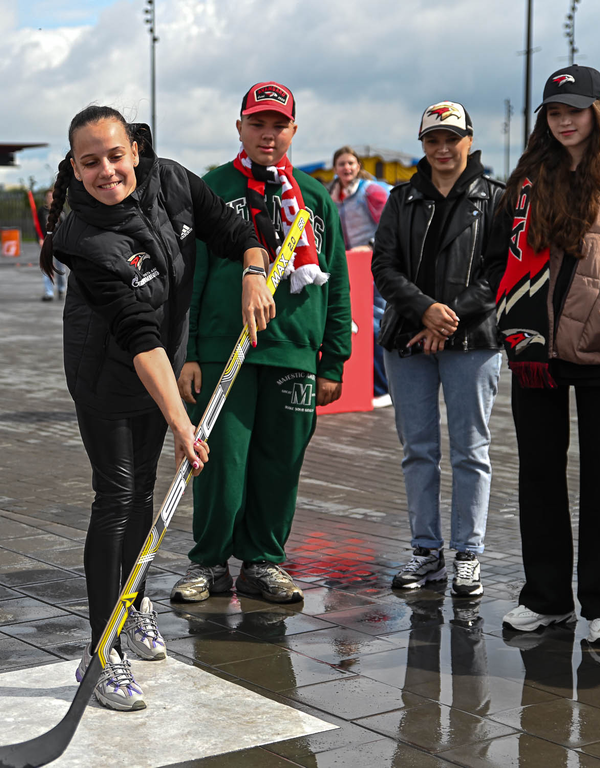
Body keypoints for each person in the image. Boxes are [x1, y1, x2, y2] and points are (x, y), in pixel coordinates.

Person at [43, 105, 275, 711]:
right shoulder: (83, 238)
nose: (106, 171)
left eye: (115, 155)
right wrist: (182, 421)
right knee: (117, 496)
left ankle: (137, 601)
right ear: (74, 167)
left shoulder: (172, 180)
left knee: (146, 494)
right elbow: (137, 334)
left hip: (160, 362)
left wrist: (254, 266)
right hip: (109, 373)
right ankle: (101, 649)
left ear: (134, 151)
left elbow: (233, 230)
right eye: (89, 162)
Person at [485, 66, 600, 646]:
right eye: (554, 111)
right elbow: (493, 258)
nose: (563, 120)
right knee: (539, 479)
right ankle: (546, 598)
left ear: (597, 113)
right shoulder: (526, 183)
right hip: (536, 353)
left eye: (574, 110)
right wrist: (500, 318)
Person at [171, 81, 352, 606]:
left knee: (278, 466)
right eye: (257, 124)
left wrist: (333, 359)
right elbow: (193, 276)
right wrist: (189, 355)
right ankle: (208, 563)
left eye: (278, 125)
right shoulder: (212, 187)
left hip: (294, 354)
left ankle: (263, 563)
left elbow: (337, 282)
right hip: (225, 355)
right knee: (218, 464)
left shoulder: (316, 198)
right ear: (240, 128)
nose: (267, 135)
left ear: (294, 130)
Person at [372, 101, 504, 598]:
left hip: (473, 340)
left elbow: (500, 272)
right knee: (418, 451)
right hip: (408, 338)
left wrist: (448, 318)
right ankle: (426, 552)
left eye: (452, 138)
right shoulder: (401, 198)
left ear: (469, 139)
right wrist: (426, 310)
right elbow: (383, 267)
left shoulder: (496, 197)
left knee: (472, 451)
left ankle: (468, 553)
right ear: (422, 145)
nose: (443, 149)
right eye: (433, 140)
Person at [329, 146, 392, 406]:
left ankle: (384, 386)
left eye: (351, 163)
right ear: (336, 168)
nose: (347, 168)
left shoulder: (372, 190)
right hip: (350, 268)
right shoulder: (334, 195)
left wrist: (370, 243)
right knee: (355, 324)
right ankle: (371, 385)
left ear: (358, 165)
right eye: (342, 164)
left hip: (374, 265)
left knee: (376, 323)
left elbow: (393, 222)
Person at [38, 188, 67, 301]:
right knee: (46, 267)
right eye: (48, 197)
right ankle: (49, 292)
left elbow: (65, 227)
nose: (50, 199)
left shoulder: (61, 210)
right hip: (46, 242)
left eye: (52, 196)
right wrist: (40, 238)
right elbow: (37, 226)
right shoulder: (42, 211)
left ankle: (61, 289)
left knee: (60, 267)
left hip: (59, 242)